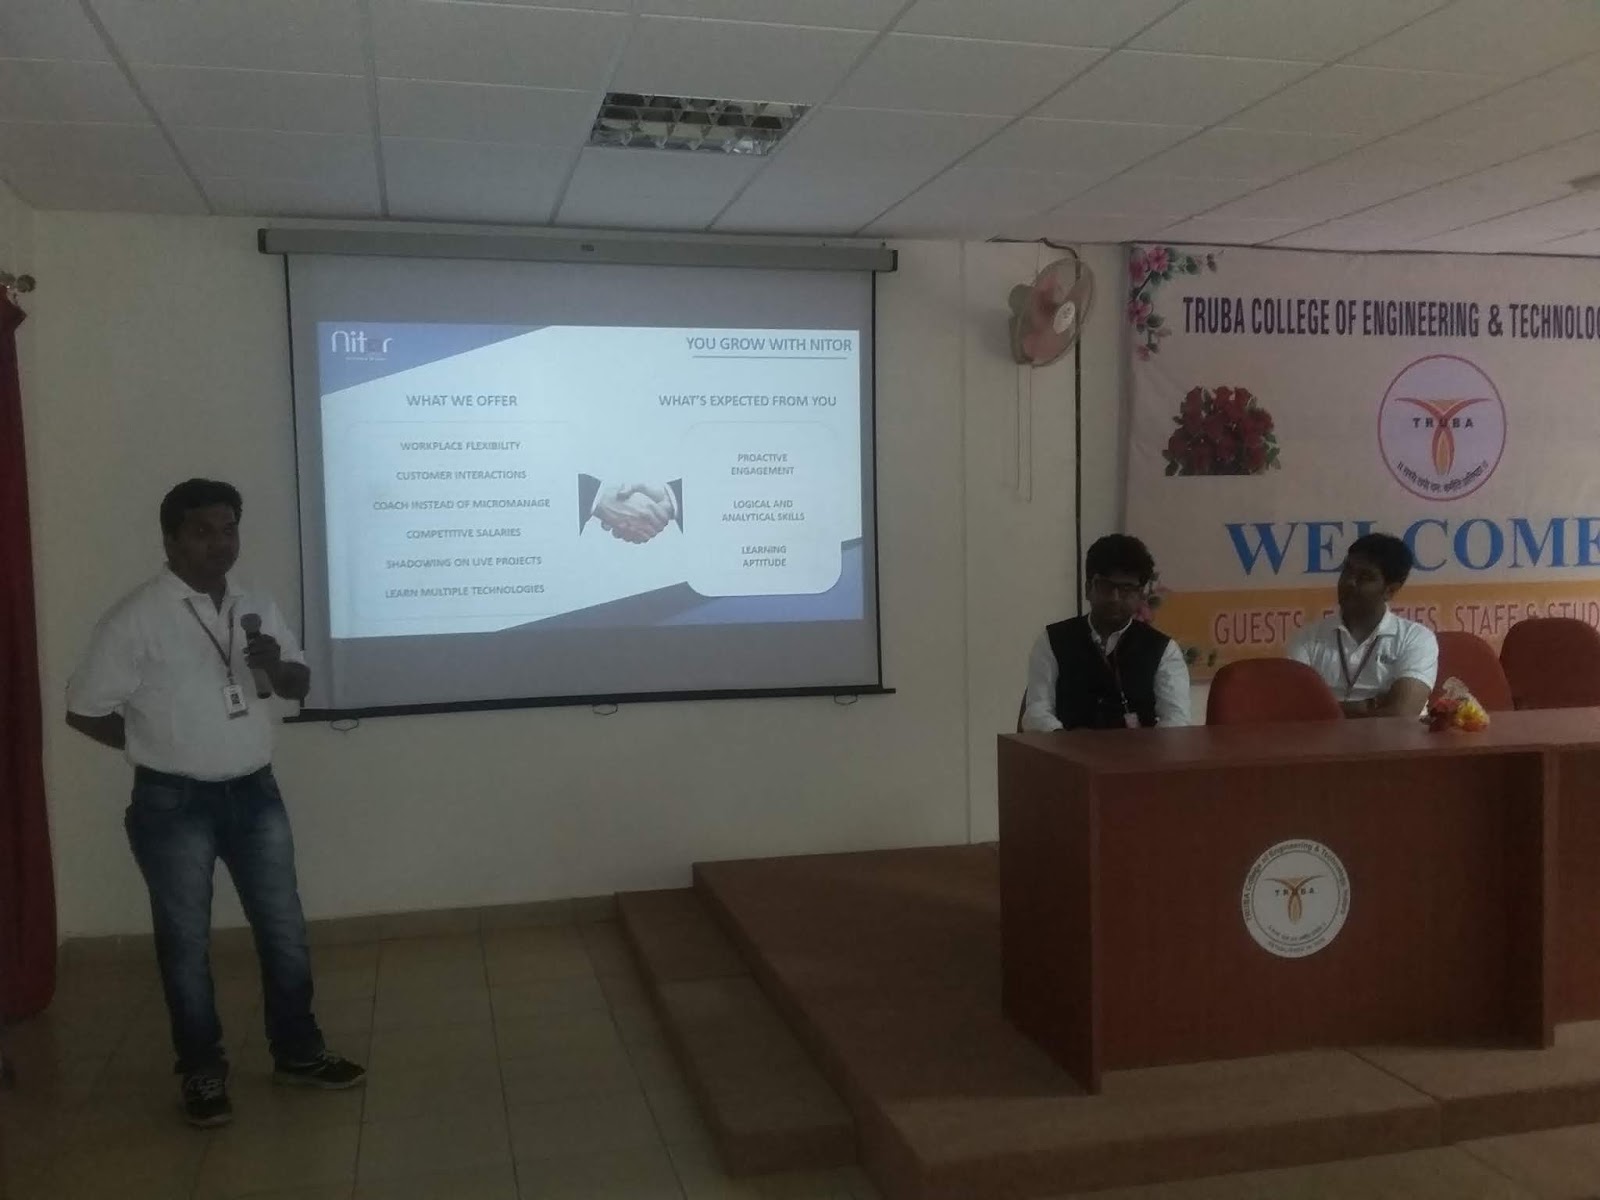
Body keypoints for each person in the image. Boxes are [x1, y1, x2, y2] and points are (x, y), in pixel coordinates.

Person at [65, 479, 364, 1128]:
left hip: (256, 791)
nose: (219, 543)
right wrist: (148, 746)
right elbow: (83, 709)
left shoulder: (255, 605)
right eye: (202, 531)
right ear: (171, 539)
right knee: (185, 944)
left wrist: (273, 665)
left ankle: (299, 1052)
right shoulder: (136, 616)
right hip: (173, 803)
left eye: (228, 529)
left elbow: (298, 683)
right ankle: (202, 1070)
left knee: (283, 929)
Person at [1021, 534, 1192, 731]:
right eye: (1106, 586)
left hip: (1139, 750)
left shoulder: (1163, 650)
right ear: (1088, 589)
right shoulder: (1053, 640)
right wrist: (1063, 739)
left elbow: (1177, 719)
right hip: (1066, 747)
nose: (1114, 598)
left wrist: (1151, 747)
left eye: (1126, 589)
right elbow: (1037, 711)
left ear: (1141, 594)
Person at [1286, 531, 1438, 718]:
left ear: (1390, 590)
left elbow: (1402, 714)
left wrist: (1328, 709)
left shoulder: (1415, 638)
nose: (1350, 582)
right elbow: (1295, 711)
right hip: (1324, 737)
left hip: (1394, 737)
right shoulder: (1306, 638)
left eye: (1364, 577)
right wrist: (1367, 705)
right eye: (1347, 571)